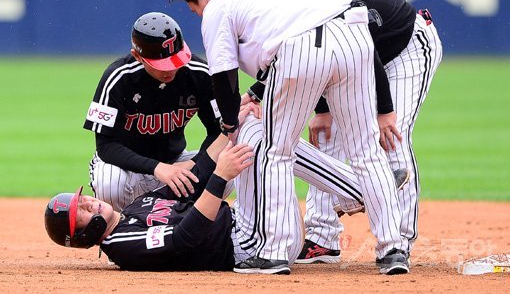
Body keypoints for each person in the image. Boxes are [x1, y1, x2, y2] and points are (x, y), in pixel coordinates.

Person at [170, 0, 409, 274]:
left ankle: (274, 252)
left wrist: (229, 124)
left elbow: (224, 76)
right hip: (354, 33)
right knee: (366, 150)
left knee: (275, 151)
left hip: (301, 46)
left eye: (194, 9)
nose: (199, 14)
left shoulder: (217, 5)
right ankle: (393, 250)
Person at [45, 108, 410, 273]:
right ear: (82, 236)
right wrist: (221, 179)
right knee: (258, 138)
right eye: (81, 211)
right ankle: (357, 190)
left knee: (253, 129)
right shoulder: (125, 246)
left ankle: (354, 191)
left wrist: (228, 128)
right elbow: (185, 238)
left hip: (256, 225)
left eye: (82, 198)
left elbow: (196, 175)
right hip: (251, 245)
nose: (89, 201)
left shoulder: (136, 209)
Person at [293, 0, 442, 266]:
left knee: (392, 138)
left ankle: (398, 242)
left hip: (407, 48)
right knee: (326, 135)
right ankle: (322, 238)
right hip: (357, 56)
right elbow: (317, 55)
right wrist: (322, 111)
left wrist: (384, 111)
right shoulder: (289, 0)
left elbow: (365, 46)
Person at [84, 12, 222, 211]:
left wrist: (194, 162)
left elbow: (219, 132)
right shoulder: (118, 78)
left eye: (175, 60)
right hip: (126, 167)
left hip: (175, 161)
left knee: (223, 169)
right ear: (137, 56)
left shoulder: (199, 74)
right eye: (162, 65)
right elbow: (106, 146)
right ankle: (126, 224)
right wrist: (157, 168)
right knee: (110, 184)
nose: (170, 69)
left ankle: (179, 223)